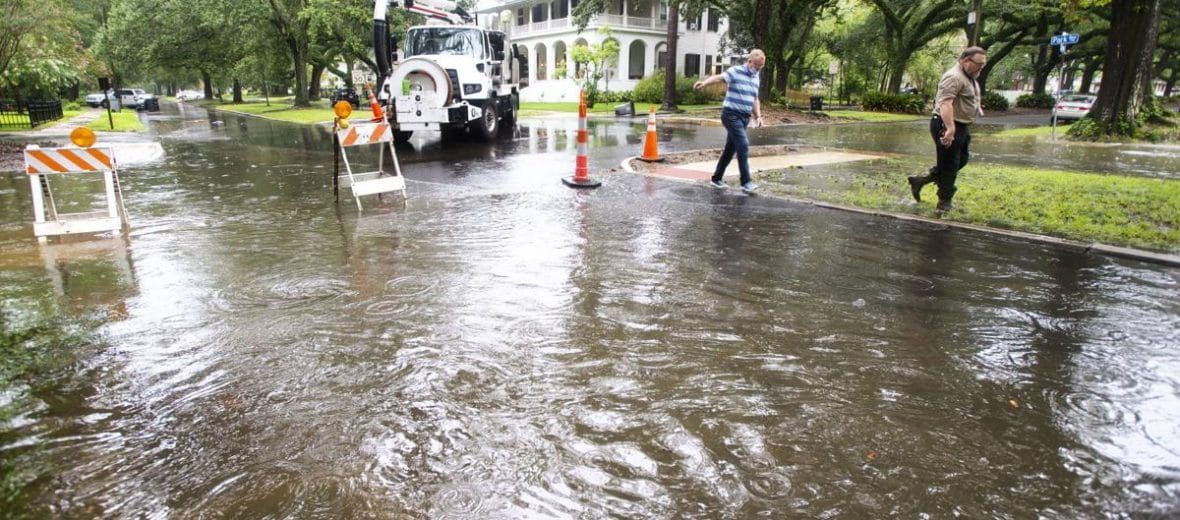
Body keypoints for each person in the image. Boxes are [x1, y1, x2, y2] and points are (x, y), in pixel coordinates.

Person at [909, 46, 987, 212]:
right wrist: (950, 129)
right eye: (979, 64)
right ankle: (944, 203)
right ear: (966, 60)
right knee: (950, 164)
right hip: (947, 124)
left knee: (961, 160)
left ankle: (921, 180)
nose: (981, 67)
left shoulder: (970, 75)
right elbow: (945, 103)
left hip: (961, 125)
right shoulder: (953, 77)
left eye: (983, 64)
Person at [693, 49, 766, 193]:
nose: (757, 69)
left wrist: (758, 116)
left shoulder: (756, 77)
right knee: (743, 145)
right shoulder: (736, 71)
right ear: (749, 61)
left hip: (745, 117)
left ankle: (716, 178)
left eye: (760, 67)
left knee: (730, 150)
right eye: (756, 66)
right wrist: (705, 83)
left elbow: (754, 99)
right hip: (731, 115)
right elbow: (720, 78)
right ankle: (746, 182)